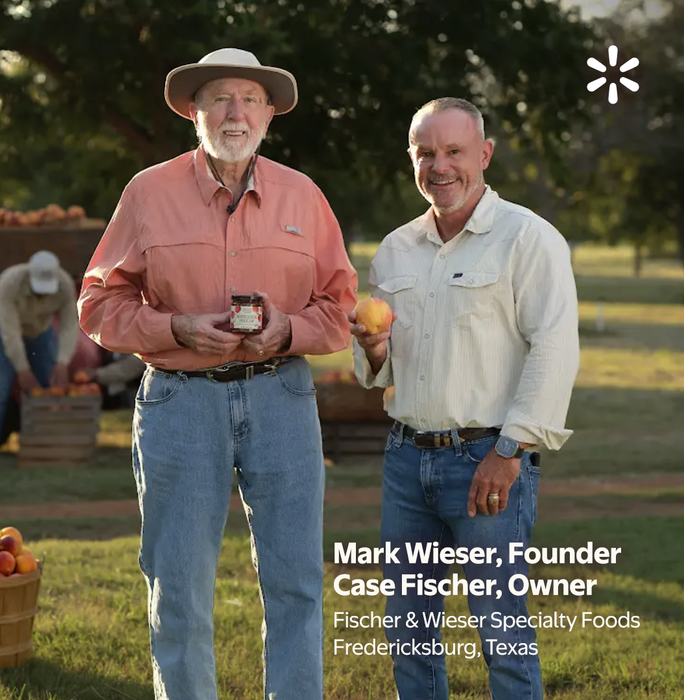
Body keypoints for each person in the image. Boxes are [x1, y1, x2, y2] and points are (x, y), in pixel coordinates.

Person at [77, 47, 359, 700]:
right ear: (194, 111)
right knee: (176, 583)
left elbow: (339, 307)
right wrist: (173, 329)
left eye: (249, 99)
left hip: (281, 398)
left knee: (294, 582)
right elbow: (96, 303)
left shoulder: (303, 196)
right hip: (180, 403)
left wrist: (286, 329)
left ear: (267, 114)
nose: (236, 112)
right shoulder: (146, 193)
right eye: (221, 98)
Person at [350, 97, 580, 700]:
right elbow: (379, 369)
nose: (439, 165)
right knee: (410, 633)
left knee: (501, 632)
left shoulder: (527, 238)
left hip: (488, 460)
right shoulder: (396, 249)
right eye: (426, 153)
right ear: (412, 159)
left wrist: (509, 453)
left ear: (484, 154)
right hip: (405, 462)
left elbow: (554, 350)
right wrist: (374, 348)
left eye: (454, 151)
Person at [0, 250, 80, 461]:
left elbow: (69, 325)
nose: (43, 295)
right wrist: (22, 368)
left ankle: (46, 448)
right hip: (4, 333)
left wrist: (62, 361)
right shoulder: (10, 282)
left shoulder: (64, 285)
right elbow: (10, 331)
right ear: (29, 276)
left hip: (41, 333)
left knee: (50, 388)